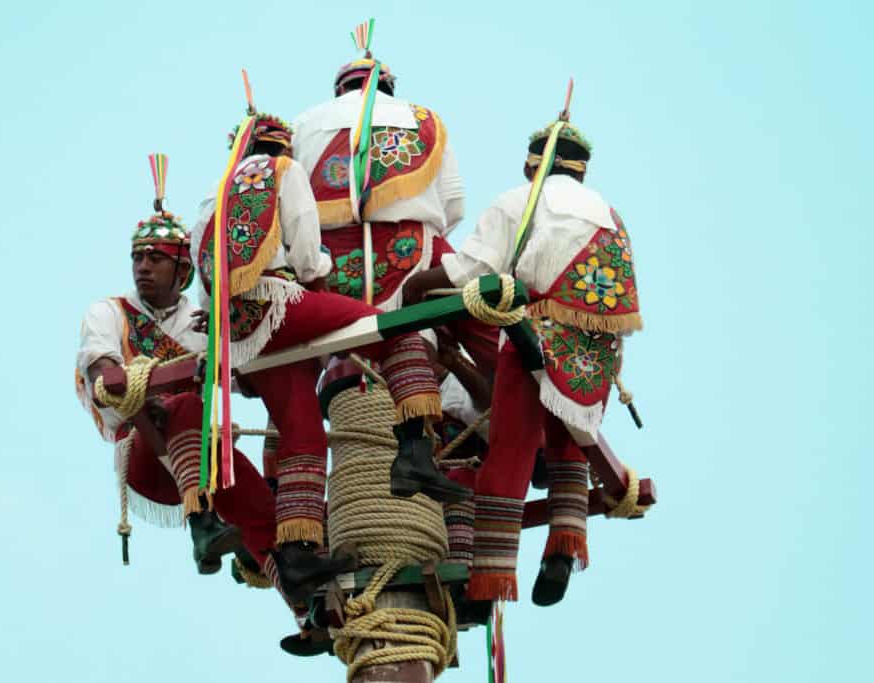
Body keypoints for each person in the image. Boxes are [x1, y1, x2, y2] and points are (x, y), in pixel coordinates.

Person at [191, 113, 468, 551]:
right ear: (285, 147)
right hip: (277, 305)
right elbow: (305, 247)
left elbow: (202, 274)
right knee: (393, 328)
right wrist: (317, 280)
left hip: (238, 335)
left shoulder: (214, 194)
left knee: (301, 435)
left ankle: (298, 555)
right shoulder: (285, 171)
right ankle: (413, 451)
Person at [402, 111, 642, 606]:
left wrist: (416, 287)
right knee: (570, 438)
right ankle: (563, 548)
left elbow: (474, 269)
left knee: (510, 450)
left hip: (536, 329)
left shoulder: (520, 201)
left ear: (533, 168)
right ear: (581, 171)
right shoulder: (612, 215)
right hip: (600, 348)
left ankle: (490, 577)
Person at [75, 171, 348, 601]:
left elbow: (248, 385)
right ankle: (202, 527)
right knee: (183, 405)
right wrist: (140, 388)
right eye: (137, 258)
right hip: (149, 455)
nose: (143, 267)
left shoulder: (202, 321)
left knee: (262, 507)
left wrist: (233, 337)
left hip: (203, 454)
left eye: (155, 258)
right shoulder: (108, 312)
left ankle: (306, 606)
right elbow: (103, 375)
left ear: (184, 269)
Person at [292, 49, 500, 373]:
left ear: (339, 90)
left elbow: (290, 210)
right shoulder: (424, 117)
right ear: (389, 87)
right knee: (481, 322)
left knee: (289, 341)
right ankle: (523, 389)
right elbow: (454, 204)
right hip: (410, 247)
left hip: (325, 258)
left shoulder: (303, 122)